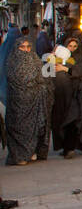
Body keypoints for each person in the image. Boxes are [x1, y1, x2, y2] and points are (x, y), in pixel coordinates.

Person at [4, 37, 51, 165]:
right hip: (18, 103)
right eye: (22, 47)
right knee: (18, 128)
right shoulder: (12, 62)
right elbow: (14, 79)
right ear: (17, 48)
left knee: (34, 128)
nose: (26, 50)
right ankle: (19, 156)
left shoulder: (35, 60)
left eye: (28, 47)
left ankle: (31, 152)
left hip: (34, 102)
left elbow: (44, 77)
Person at [50, 34, 82, 158]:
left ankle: (70, 148)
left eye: (75, 46)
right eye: (70, 46)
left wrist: (64, 69)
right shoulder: (59, 57)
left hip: (77, 95)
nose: (72, 48)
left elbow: (80, 73)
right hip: (61, 95)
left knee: (72, 121)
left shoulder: (80, 58)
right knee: (62, 122)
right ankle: (67, 147)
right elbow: (48, 71)